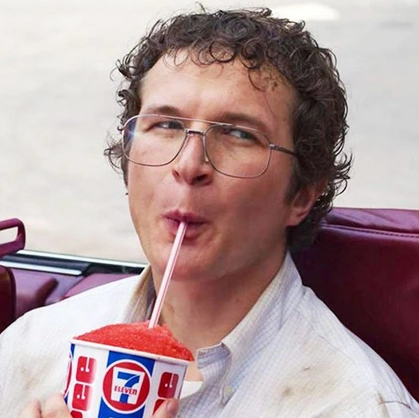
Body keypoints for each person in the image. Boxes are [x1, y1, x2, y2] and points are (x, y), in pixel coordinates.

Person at [1, 7, 419, 418]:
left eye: (238, 134)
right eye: (166, 125)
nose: (189, 165)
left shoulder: (354, 405)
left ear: (302, 194)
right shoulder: (32, 348)